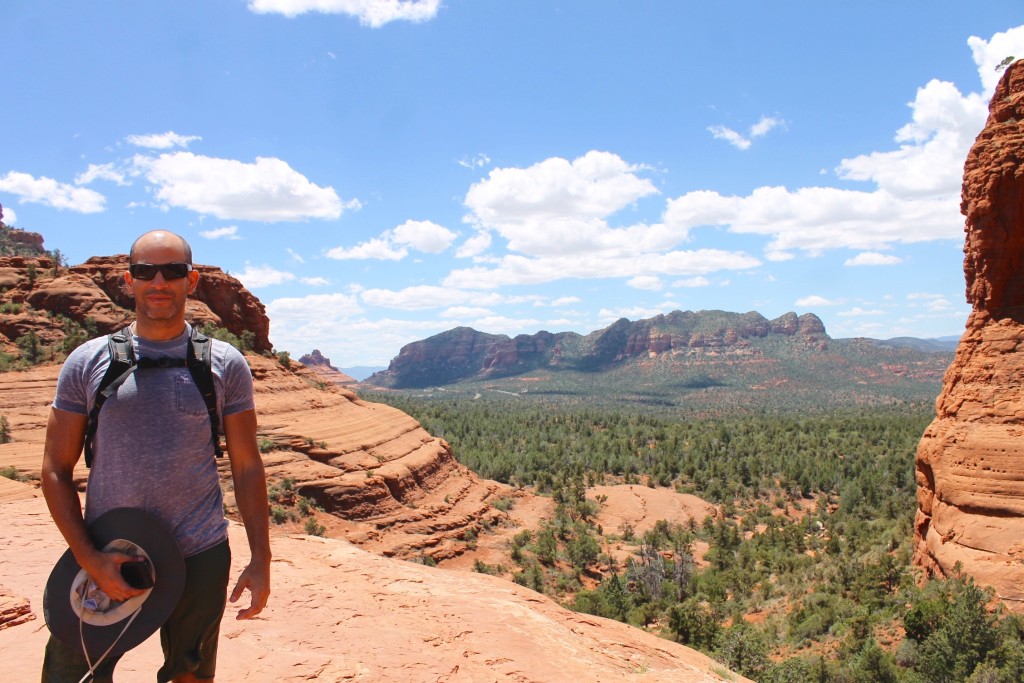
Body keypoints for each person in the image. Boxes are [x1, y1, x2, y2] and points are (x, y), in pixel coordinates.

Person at [40, 230, 271, 683]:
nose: (159, 282)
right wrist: (88, 558)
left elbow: (246, 466)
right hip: (110, 548)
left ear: (192, 280)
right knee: (72, 672)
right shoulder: (87, 361)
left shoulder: (225, 363)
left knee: (189, 675)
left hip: (200, 551)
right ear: (129, 280)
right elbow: (54, 469)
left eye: (173, 271)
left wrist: (261, 557)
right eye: (146, 271)